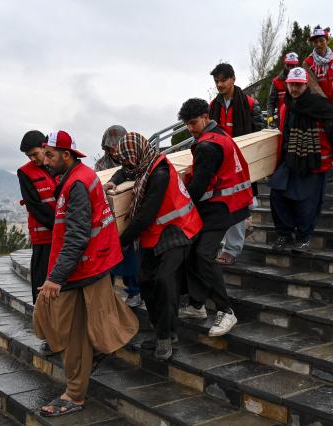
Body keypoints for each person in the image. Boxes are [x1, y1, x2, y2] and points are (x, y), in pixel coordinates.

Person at [34, 130, 138, 417]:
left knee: (70, 330)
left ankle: (75, 394)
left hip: (83, 268)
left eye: (51, 154)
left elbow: (77, 236)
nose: (46, 160)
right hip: (89, 265)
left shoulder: (77, 184)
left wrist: (55, 277)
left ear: (66, 155)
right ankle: (101, 347)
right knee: (75, 321)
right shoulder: (77, 177)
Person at [108, 132, 202, 360]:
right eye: (124, 160)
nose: (126, 164)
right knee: (145, 280)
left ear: (137, 153)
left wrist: (120, 242)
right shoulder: (144, 164)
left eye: (128, 158)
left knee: (163, 281)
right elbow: (126, 170)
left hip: (178, 229)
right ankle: (162, 330)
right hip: (156, 232)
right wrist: (115, 180)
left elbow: (145, 216)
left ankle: (165, 337)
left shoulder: (158, 173)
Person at [177, 98, 253, 336]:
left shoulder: (207, 146)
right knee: (192, 249)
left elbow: (198, 187)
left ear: (205, 117)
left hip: (220, 208)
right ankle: (197, 304)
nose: (191, 128)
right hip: (227, 204)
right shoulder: (220, 136)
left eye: (194, 123)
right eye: (187, 124)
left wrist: (179, 206)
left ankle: (226, 310)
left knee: (203, 254)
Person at [270, 67, 333, 252]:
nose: (294, 89)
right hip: (292, 159)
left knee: (308, 204)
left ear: (305, 85)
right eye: (292, 84)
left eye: (298, 85)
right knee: (277, 194)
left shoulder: (320, 104)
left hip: (315, 162)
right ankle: (285, 234)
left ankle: (303, 238)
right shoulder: (289, 104)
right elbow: (285, 133)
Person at [208, 63, 265, 266]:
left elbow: (260, 135)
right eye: (216, 81)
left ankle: (231, 249)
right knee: (229, 205)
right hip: (222, 165)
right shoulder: (211, 107)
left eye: (223, 80)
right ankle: (232, 242)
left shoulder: (249, 104)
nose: (219, 84)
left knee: (240, 203)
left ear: (233, 79)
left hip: (243, 163)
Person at [96, 125, 143, 308]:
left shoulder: (133, 158)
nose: (115, 152)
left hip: (131, 215)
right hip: (110, 219)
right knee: (110, 258)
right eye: (111, 148)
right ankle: (109, 295)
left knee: (130, 255)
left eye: (118, 147)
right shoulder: (101, 165)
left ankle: (134, 291)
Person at [17, 130, 56, 305]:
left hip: (63, 236)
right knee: (41, 283)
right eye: (29, 156)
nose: (32, 159)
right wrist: (60, 225)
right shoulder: (25, 173)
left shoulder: (57, 166)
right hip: (44, 238)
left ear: (44, 147)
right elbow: (35, 206)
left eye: (35, 154)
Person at [303, 25, 333, 106]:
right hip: (320, 105)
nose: (318, 44)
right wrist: (328, 106)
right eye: (315, 42)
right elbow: (314, 87)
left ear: (327, 41)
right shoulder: (307, 63)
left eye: (321, 41)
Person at [267, 52, 300, 124]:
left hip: (298, 118)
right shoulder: (276, 81)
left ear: (296, 66)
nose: (290, 68)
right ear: (285, 64)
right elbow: (271, 101)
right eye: (288, 65)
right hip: (282, 118)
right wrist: (270, 115)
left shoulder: (302, 81)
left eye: (292, 66)